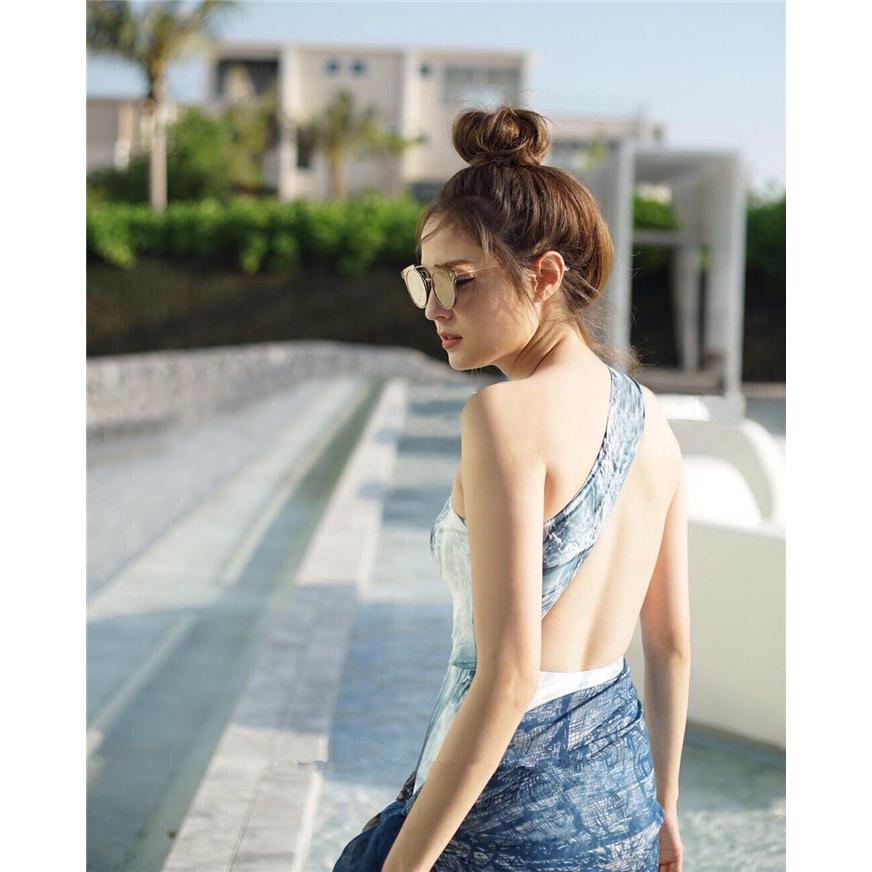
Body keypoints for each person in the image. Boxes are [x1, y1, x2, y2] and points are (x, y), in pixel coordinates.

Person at [333, 105, 690, 871]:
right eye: (424, 281)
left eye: (458, 281)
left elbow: (510, 678)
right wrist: (664, 808)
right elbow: (671, 644)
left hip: (513, 821)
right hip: (624, 804)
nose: (435, 308)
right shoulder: (654, 421)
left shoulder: (503, 418)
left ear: (546, 275)